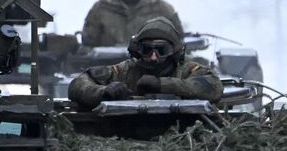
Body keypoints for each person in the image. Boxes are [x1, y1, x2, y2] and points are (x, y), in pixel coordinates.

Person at [69, 17, 222, 110]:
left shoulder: (187, 70)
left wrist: (162, 85)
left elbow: (213, 86)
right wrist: (103, 92)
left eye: (161, 50)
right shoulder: (126, 70)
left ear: (174, 51)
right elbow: (78, 84)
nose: (153, 57)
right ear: (137, 51)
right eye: (147, 50)